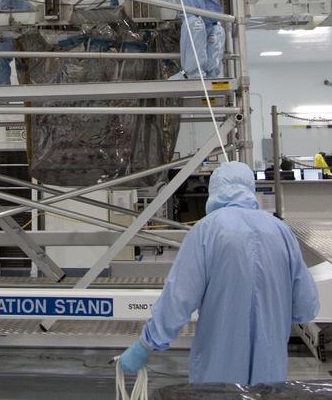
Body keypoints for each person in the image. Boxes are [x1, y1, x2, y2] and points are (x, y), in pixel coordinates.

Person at [119, 162, 319, 383]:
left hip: (219, 371)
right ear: (251, 189)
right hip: (270, 370)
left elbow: (179, 298)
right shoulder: (281, 231)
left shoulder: (206, 230)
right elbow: (306, 305)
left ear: (214, 190)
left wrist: (146, 344)